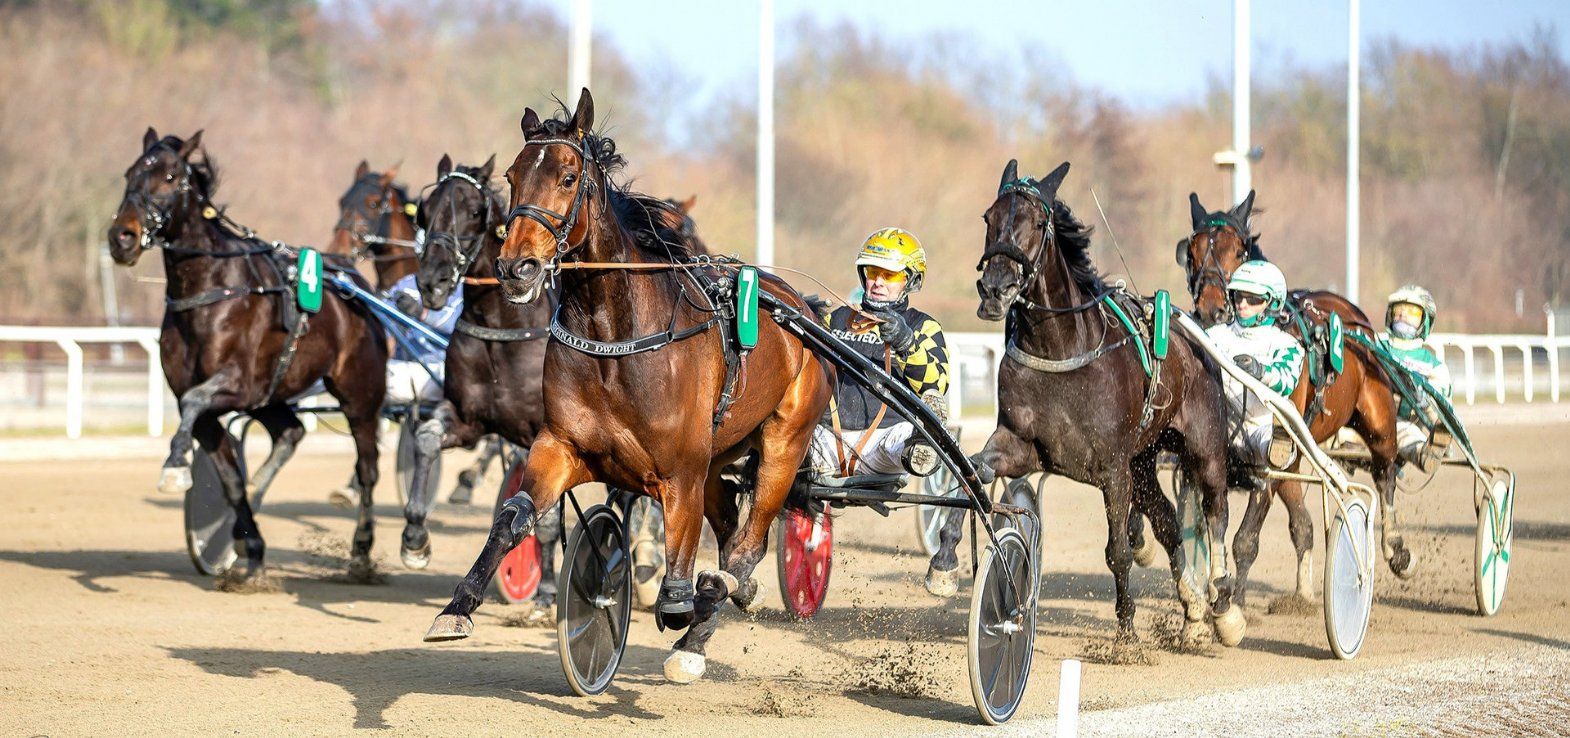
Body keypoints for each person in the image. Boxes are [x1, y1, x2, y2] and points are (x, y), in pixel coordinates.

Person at [806, 228, 950, 478]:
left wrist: (905, 342)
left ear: (912, 280)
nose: (878, 282)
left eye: (889, 275)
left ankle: (923, 444)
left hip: (887, 442)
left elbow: (936, 386)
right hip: (827, 439)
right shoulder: (835, 319)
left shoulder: (923, 326)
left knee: (904, 435)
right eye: (873, 273)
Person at [1203, 260, 1305, 470]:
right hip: (1217, 425)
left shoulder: (1287, 344)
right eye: (1238, 296)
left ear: (1273, 304)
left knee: (1268, 440)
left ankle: (1279, 447)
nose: (1242, 304)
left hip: (1260, 428)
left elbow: (1286, 382)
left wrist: (1261, 371)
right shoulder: (1213, 335)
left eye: (1252, 299)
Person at [1380, 284, 1452, 470]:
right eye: (1398, 311)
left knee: (1402, 431)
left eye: (1412, 312)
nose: (1403, 316)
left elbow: (1443, 409)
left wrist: (1423, 401)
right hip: (1364, 417)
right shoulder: (1375, 346)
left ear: (1425, 321)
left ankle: (1428, 451)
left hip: (1400, 426)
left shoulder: (1434, 367)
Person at [384, 273, 462, 404]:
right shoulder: (405, 284)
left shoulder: (465, 286)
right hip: (401, 369)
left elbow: (458, 325)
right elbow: (384, 329)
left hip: (444, 369)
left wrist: (421, 313)